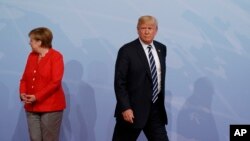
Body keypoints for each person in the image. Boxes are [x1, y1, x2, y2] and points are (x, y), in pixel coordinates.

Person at [112, 15, 169, 141]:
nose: (147, 31)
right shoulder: (127, 50)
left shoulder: (161, 49)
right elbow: (119, 82)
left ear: (156, 30)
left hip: (155, 110)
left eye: (150, 28)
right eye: (143, 28)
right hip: (132, 111)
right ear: (137, 30)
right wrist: (125, 107)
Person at [19, 27, 66, 141]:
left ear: (40, 42)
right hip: (31, 106)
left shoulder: (56, 56)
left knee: (49, 139)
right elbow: (24, 78)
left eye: (31, 40)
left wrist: (37, 96)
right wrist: (22, 93)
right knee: (34, 139)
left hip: (50, 107)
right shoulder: (31, 56)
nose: (29, 42)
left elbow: (55, 82)